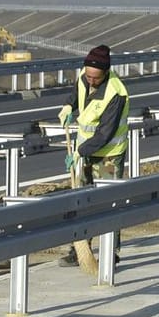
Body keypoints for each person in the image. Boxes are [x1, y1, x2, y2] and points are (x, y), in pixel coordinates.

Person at [57, 44, 130, 267]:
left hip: (109, 154)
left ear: (106, 73)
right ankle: (79, 249)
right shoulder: (84, 76)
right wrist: (69, 106)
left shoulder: (115, 93)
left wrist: (79, 151)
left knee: (110, 202)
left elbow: (105, 133)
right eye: (88, 76)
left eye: (95, 78)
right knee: (81, 200)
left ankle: (111, 251)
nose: (91, 81)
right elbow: (77, 93)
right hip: (84, 151)